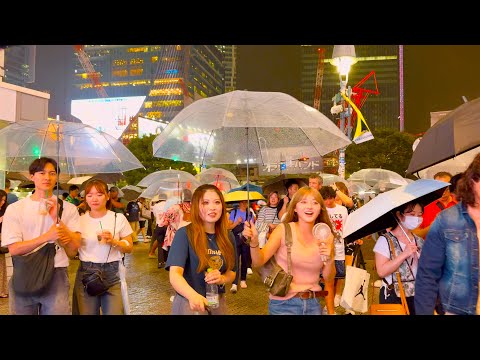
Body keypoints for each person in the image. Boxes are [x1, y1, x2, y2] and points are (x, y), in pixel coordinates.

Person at [1, 157, 81, 315]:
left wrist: (56, 219)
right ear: (32, 176)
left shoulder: (68, 209)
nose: (47, 177)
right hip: (24, 272)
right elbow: (14, 249)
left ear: (56, 177)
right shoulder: (16, 209)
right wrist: (47, 236)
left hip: (57, 273)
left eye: (52, 173)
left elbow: (74, 249)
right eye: (42, 172)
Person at [243, 186, 335, 315]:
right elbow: (259, 261)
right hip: (283, 304)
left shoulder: (325, 235)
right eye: (303, 202)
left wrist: (330, 259)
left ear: (320, 209)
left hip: (313, 304)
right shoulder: (283, 230)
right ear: (295, 208)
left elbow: (329, 278)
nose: (309, 206)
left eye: (315, 203)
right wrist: (254, 243)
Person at [415, 154, 480, 315]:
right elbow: (427, 275)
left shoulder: (453, 203)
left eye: (445, 187)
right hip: (457, 307)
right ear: (473, 180)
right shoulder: (444, 218)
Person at [166, 184, 237, 315]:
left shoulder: (228, 236)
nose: (212, 207)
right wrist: (192, 295)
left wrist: (221, 278)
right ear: (196, 207)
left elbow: (232, 273)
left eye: (217, 202)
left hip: (217, 302)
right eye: (205, 202)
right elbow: (175, 274)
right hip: (189, 303)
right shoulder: (185, 234)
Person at [72, 179, 133, 315]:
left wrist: (114, 242)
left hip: (113, 273)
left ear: (107, 196)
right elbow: (72, 251)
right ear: (85, 198)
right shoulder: (79, 221)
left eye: (99, 194)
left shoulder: (118, 218)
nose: (94, 199)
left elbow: (129, 247)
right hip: (87, 273)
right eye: (90, 195)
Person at [373, 200, 424, 315]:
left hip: (418, 296)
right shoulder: (385, 240)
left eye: (420, 215)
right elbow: (381, 271)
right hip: (394, 297)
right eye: (411, 214)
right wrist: (404, 254)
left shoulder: (419, 241)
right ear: (399, 215)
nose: (416, 218)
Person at [320, 186, 349, 314]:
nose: (328, 202)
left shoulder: (342, 210)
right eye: (325, 199)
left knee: (337, 277)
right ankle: (327, 305)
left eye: (330, 198)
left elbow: (347, 228)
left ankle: (330, 305)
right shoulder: (320, 211)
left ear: (334, 197)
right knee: (325, 280)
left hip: (339, 249)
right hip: (324, 251)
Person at [413, 171, 456, 239]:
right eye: (438, 189)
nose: (443, 192)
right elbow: (414, 235)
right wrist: (430, 228)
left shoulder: (461, 203)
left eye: (446, 188)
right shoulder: (424, 207)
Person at [228, 200, 255, 293]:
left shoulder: (250, 214)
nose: (244, 204)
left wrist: (249, 226)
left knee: (245, 259)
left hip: (246, 239)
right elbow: (229, 227)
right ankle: (234, 282)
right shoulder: (234, 212)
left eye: (246, 202)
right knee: (235, 261)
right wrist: (237, 222)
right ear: (239, 203)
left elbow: (253, 228)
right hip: (236, 239)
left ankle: (243, 279)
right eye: (242, 202)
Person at [0, 190, 9, 298]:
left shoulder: (4, 210)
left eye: (4, 201)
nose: (2, 202)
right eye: (1, 200)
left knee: (2, 267)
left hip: (1, 240)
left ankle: (2, 290)